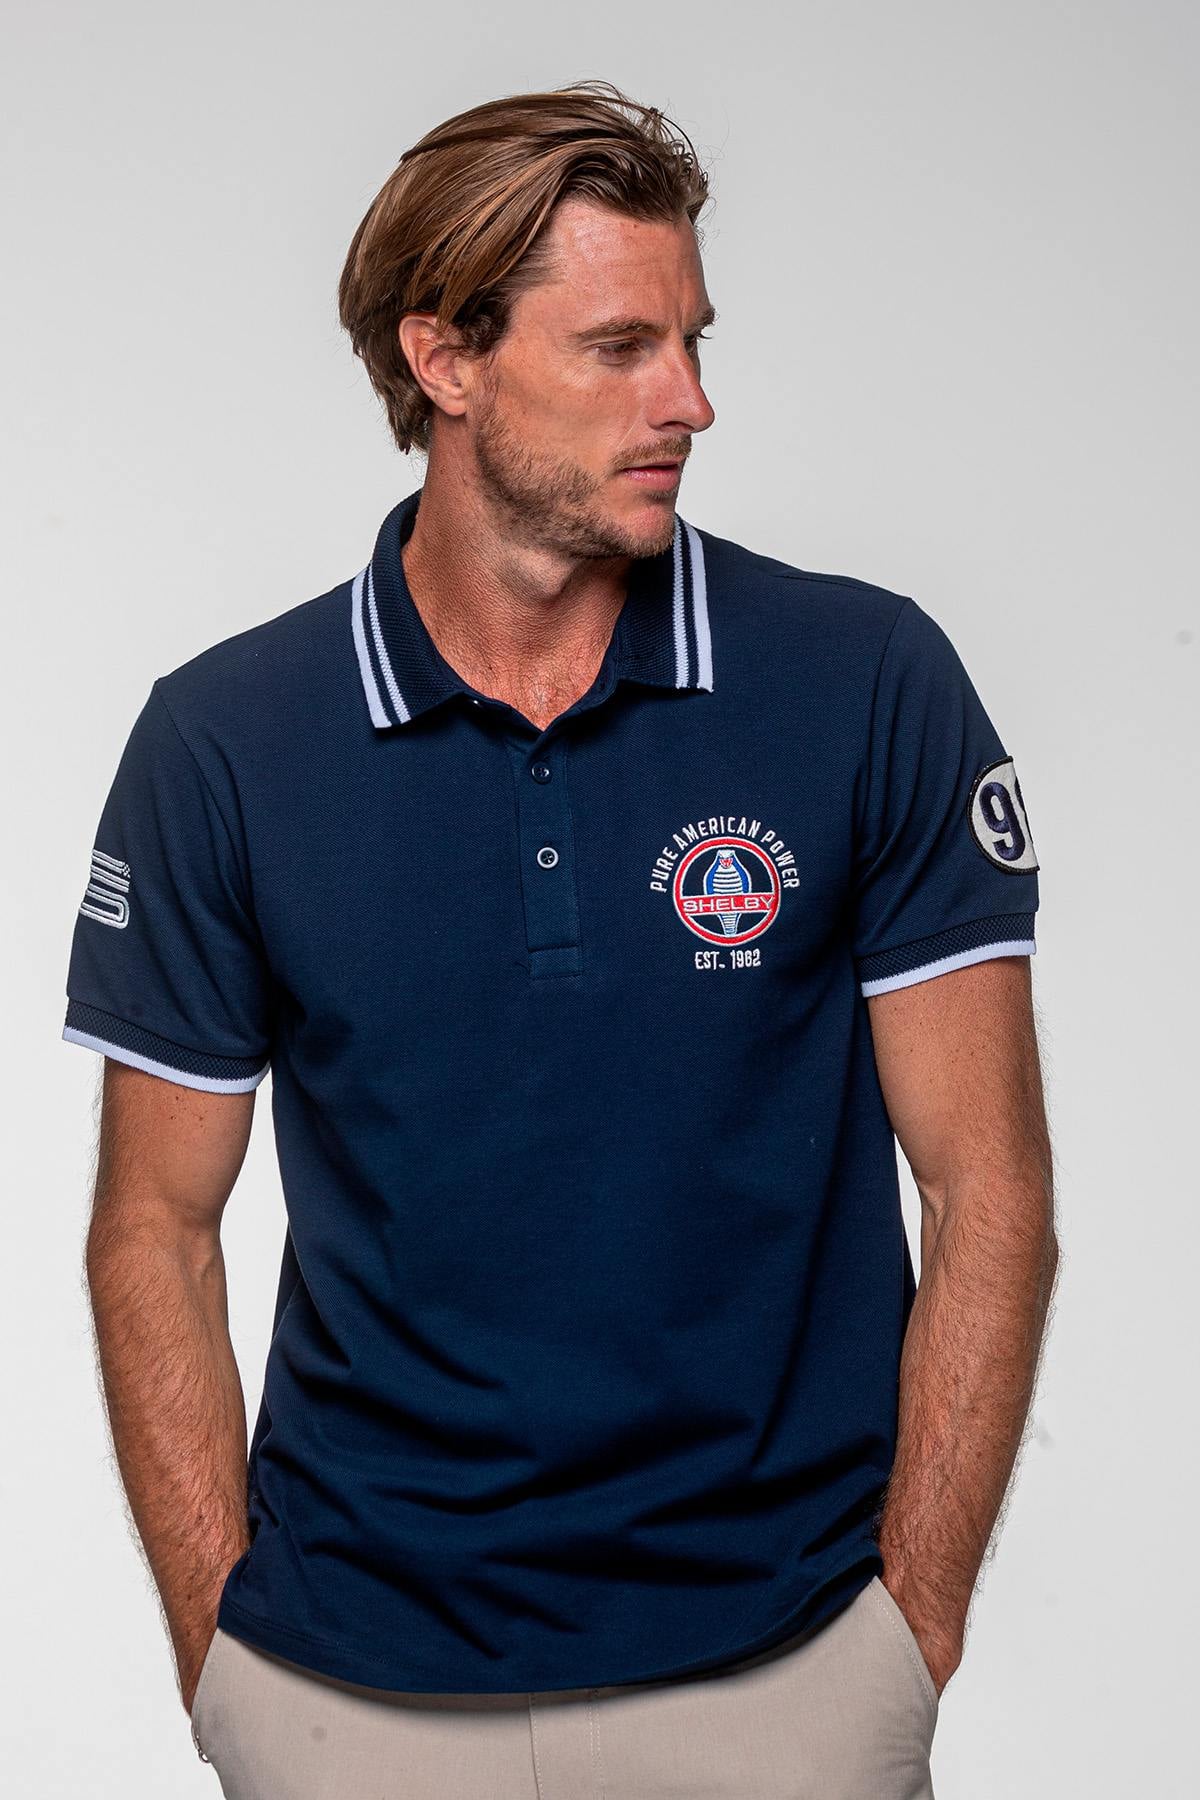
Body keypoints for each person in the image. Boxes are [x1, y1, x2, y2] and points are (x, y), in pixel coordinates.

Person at [61, 79, 1058, 1800]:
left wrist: (909, 1635)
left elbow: (993, 1189)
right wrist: (224, 1662)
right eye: (619, 348)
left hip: (789, 1676)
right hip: (348, 1696)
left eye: (692, 339)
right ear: (443, 358)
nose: (691, 400)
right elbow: (151, 1226)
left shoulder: (864, 683)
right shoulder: (227, 743)